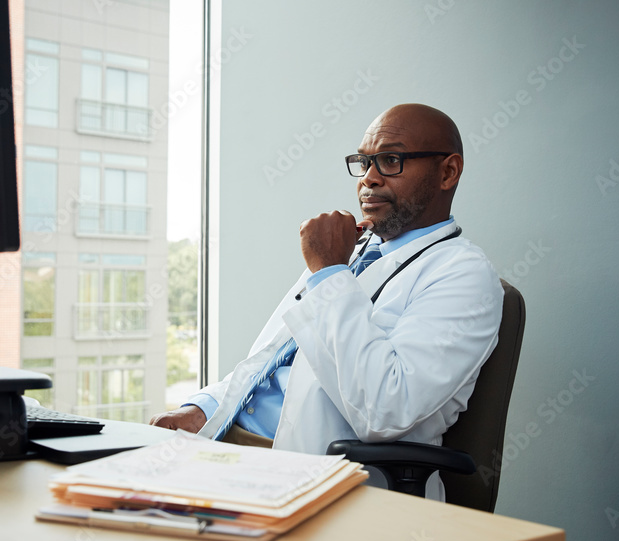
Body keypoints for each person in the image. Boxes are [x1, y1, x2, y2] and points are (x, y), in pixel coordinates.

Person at [150, 103, 503, 500]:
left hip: (313, 474)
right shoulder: (354, 252)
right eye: (364, 162)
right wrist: (202, 408)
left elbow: (387, 410)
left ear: (448, 172)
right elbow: (273, 360)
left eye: (391, 161)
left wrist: (330, 271)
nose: (368, 179)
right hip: (229, 446)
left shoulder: (464, 274)